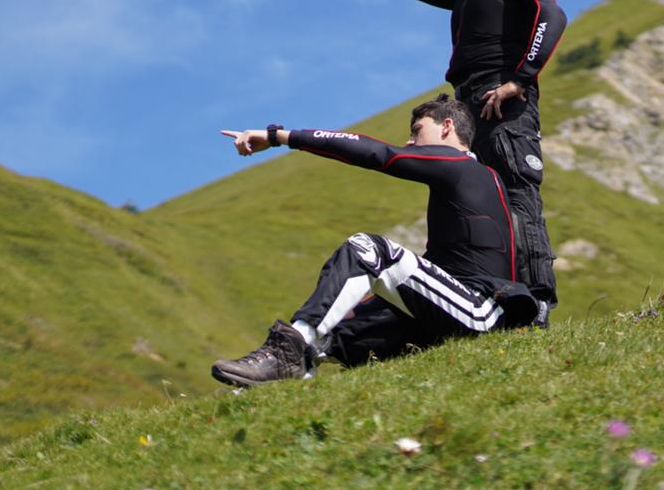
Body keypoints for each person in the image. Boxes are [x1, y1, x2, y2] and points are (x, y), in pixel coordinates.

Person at [209, 94, 541, 387]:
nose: (409, 142)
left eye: (416, 131)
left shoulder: (463, 167)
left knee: (369, 250)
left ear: (446, 127)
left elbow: (379, 154)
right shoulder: (465, 180)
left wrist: (278, 136)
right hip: (447, 313)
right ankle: (283, 381)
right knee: (338, 330)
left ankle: (287, 354)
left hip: (481, 314)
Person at [392, 0, 567, 317]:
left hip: (502, 99)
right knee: (474, 199)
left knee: (516, 192)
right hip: (467, 105)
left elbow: (551, 14)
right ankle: (486, 297)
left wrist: (521, 78)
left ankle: (536, 302)